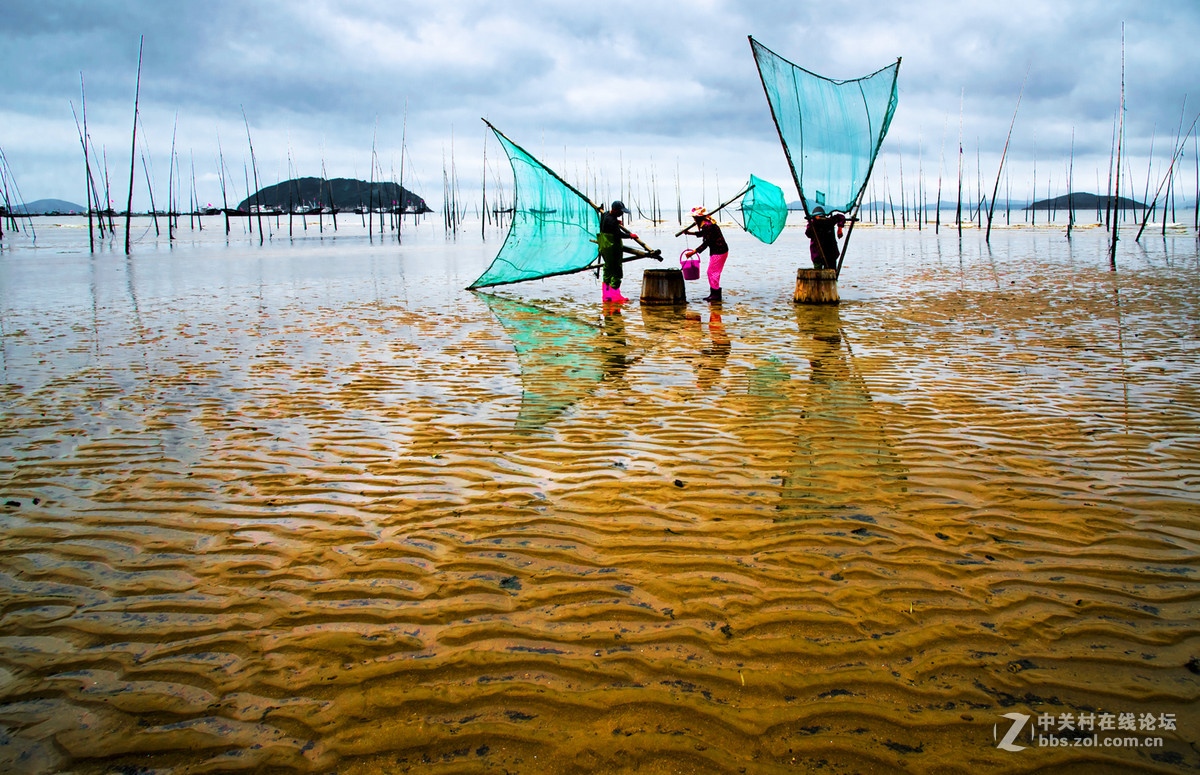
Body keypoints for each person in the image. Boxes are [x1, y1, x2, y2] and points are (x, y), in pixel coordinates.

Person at [682, 206, 729, 303]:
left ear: (698, 218)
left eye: (694, 218)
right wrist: (689, 233)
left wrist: (693, 252)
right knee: (713, 272)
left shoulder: (708, 225)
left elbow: (707, 242)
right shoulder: (707, 224)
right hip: (719, 250)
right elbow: (704, 234)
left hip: (719, 251)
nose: (694, 220)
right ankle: (714, 294)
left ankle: (715, 294)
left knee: (711, 272)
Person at [597, 201, 638, 303]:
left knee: (607, 268)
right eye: (620, 211)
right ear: (615, 210)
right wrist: (630, 236)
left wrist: (616, 222)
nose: (621, 214)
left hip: (604, 245)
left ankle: (606, 296)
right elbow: (618, 234)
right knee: (616, 269)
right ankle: (615, 296)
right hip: (612, 246)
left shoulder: (606, 214)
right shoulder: (612, 220)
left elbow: (608, 223)